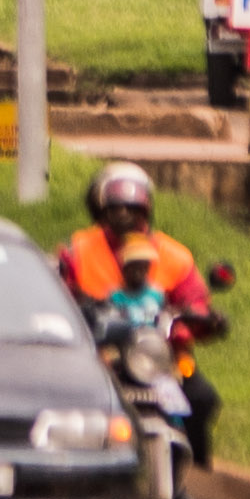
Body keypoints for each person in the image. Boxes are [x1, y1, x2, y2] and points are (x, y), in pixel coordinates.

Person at [56, 165, 218, 436]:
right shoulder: (77, 250)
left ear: (145, 211)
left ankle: (193, 469)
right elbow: (58, 296)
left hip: (157, 360)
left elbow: (195, 301)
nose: (124, 215)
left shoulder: (175, 256)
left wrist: (200, 320)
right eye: (116, 208)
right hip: (97, 360)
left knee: (201, 398)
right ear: (101, 211)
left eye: (132, 209)